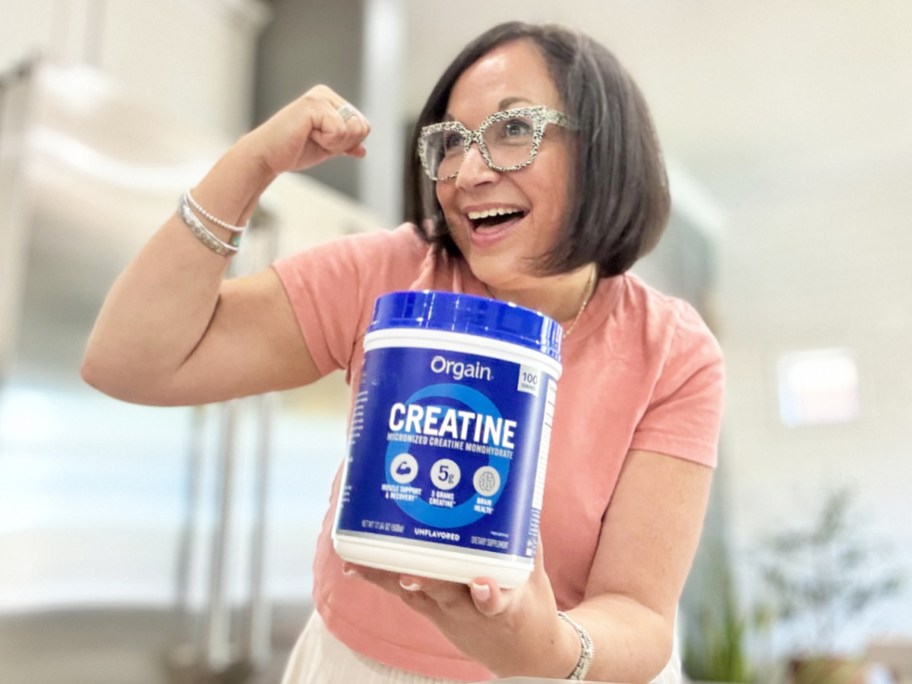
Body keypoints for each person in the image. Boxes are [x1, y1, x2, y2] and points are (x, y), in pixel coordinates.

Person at [82, 20, 723, 684]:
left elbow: (639, 613)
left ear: (603, 149)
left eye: (511, 130)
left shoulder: (671, 352)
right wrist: (252, 163)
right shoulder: (389, 275)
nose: (468, 173)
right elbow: (129, 360)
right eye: (450, 142)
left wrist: (549, 651)